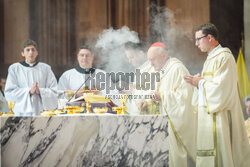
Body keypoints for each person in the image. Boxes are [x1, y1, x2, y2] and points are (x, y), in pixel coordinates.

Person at [184, 23, 250, 167]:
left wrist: (200, 83)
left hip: (220, 118)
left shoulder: (224, 57)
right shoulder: (210, 59)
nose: (196, 44)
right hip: (207, 118)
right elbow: (210, 85)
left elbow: (222, 90)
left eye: (198, 39)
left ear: (210, 37)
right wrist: (198, 83)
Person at [139, 42, 197, 167]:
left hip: (173, 128)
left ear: (164, 56)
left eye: (153, 59)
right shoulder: (157, 70)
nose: (151, 63)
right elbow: (154, 95)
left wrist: (163, 96)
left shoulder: (178, 69)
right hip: (157, 127)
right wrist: (147, 103)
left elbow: (185, 99)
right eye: (149, 60)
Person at [4, 39, 58, 116]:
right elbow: (10, 92)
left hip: (42, 111)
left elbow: (55, 91)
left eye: (33, 50)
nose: (31, 52)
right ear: (22, 53)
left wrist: (40, 91)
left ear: (37, 53)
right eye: (28, 50)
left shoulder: (46, 68)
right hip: (22, 113)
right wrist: (29, 91)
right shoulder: (15, 69)